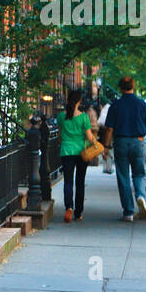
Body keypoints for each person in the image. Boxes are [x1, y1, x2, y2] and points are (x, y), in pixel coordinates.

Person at [105, 75, 146, 222]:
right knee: (139, 174)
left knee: (123, 176)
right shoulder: (142, 105)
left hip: (120, 141)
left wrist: (106, 147)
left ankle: (128, 212)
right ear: (133, 86)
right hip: (139, 141)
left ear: (121, 88)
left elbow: (109, 129)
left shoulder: (115, 105)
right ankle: (140, 195)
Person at [58, 88, 99, 222]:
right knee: (80, 182)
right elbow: (89, 136)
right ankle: (78, 213)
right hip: (82, 153)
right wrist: (97, 144)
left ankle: (69, 207)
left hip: (66, 151)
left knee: (68, 181)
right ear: (79, 101)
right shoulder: (84, 117)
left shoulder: (61, 116)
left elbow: (59, 134)